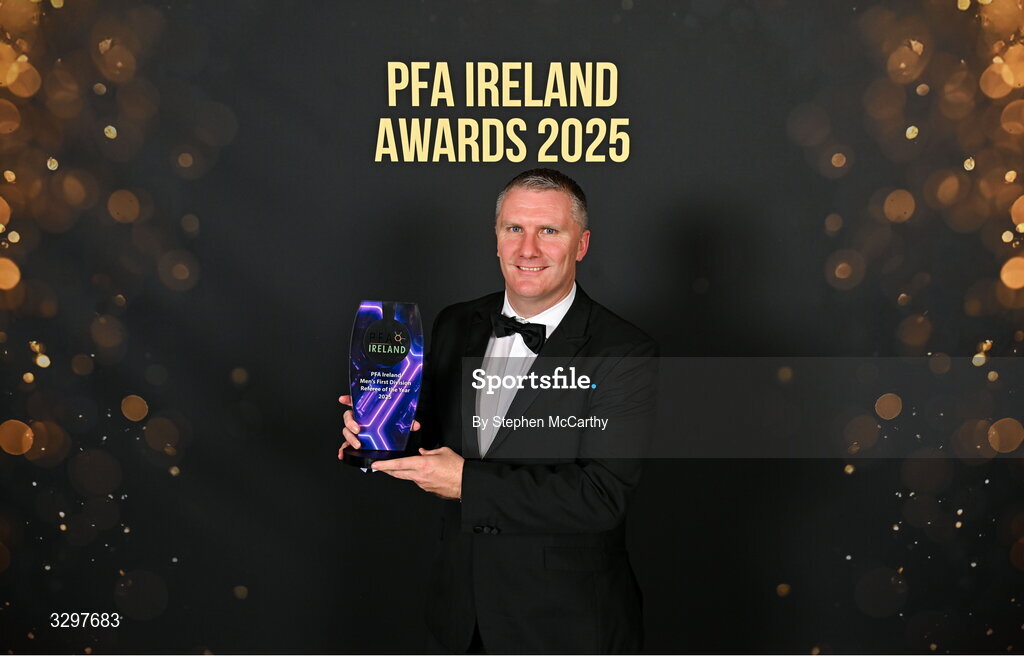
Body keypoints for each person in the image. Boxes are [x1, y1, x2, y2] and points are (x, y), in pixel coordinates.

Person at [339, 169, 657, 653]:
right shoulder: (454, 322)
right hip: (459, 617)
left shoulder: (624, 351)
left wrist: (465, 481)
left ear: (582, 244)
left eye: (548, 231)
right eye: (514, 229)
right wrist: (376, 426)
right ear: (496, 238)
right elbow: (426, 433)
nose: (527, 250)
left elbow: (600, 496)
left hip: (564, 626)